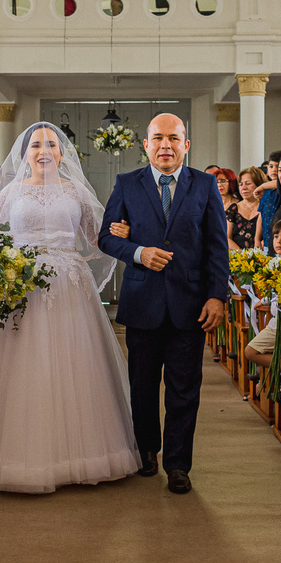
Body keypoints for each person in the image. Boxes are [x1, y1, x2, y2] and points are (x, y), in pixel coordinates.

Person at [0, 123, 141, 493]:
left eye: (51, 144)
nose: (44, 151)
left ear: (62, 153)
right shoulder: (9, 193)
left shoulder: (76, 191)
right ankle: (14, 453)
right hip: (22, 288)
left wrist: (120, 235)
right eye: (36, 145)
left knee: (74, 363)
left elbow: (97, 238)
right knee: (21, 365)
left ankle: (80, 454)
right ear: (25, 154)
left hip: (69, 286)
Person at [98, 113, 230, 494]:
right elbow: (106, 238)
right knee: (142, 386)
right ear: (146, 145)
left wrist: (216, 296)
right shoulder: (127, 184)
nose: (165, 145)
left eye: (174, 138)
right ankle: (146, 451)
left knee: (184, 388)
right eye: (158, 138)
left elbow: (217, 247)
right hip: (143, 302)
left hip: (191, 304)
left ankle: (177, 463)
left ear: (186, 145)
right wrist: (138, 252)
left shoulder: (204, 185)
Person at [242, 218, 281, 369]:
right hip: (275, 323)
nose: (279, 241)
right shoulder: (276, 261)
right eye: (276, 236)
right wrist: (264, 300)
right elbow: (274, 291)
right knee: (250, 351)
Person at [227, 166, 266, 250]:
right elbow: (227, 238)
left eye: (248, 183)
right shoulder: (234, 208)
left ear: (259, 185)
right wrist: (242, 254)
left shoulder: (267, 207)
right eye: (241, 184)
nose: (243, 188)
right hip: (237, 255)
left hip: (263, 253)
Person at [257, 150, 281, 251]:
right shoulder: (266, 191)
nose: (274, 170)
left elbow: (279, 184)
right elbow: (261, 215)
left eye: (278, 167)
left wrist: (262, 186)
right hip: (266, 240)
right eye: (271, 166)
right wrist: (257, 239)